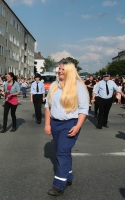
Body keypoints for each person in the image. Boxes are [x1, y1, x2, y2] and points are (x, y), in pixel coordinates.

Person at [44, 61, 89, 196]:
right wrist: (47, 123)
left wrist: (78, 126)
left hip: (71, 123)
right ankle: (68, 176)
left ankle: (59, 184)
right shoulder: (54, 85)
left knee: (62, 151)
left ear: (70, 71)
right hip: (55, 123)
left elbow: (83, 109)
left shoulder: (78, 86)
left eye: (63, 69)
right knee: (62, 150)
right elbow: (48, 106)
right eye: (59, 69)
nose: (60, 71)